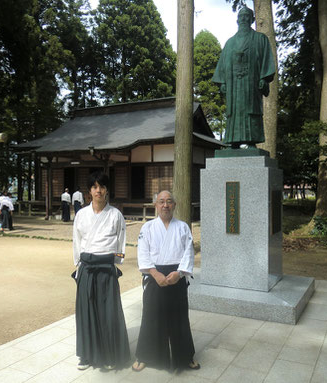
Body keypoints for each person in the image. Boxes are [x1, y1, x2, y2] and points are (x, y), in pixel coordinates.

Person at [132, 190, 199, 372]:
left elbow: (188, 252)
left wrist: (179, 273)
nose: (165, 205)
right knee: (151, 317)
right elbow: (143, 253)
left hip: (176, 275)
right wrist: (154, 272)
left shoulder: (183, 227)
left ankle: (185, 356)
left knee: (179, 318)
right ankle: (145, 355)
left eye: (169, 201)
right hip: (154, 276)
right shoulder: (147, 228)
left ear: (174, 205)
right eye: (161, 201)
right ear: (156, 205)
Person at [72, 171, 130, 370]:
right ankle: (86, 355)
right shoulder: (81, 214)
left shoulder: (115, 215)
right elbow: (77, 242)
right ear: (89, 191)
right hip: (87, 267)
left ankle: (110, 354)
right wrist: (78, 265)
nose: (98, 190)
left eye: (102, 187)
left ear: (106, 190)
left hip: (106, 267)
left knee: (108, 313)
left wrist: (116, 263)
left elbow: (121, 244)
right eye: (95, 187)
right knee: (86, 313)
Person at [212, 6, 275, 148]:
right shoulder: (229, 43)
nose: (244, 18)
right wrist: (222, 81)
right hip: (233, 85)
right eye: (241, 16)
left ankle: (252, 141)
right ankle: (234, 142)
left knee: (251, 110)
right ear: (237, 20)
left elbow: (266, 61)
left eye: (247, 16)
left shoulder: (260, 39)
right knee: (234, 111)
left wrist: (264, 79)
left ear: (252, 19)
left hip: (251, 84)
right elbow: (222, 65)